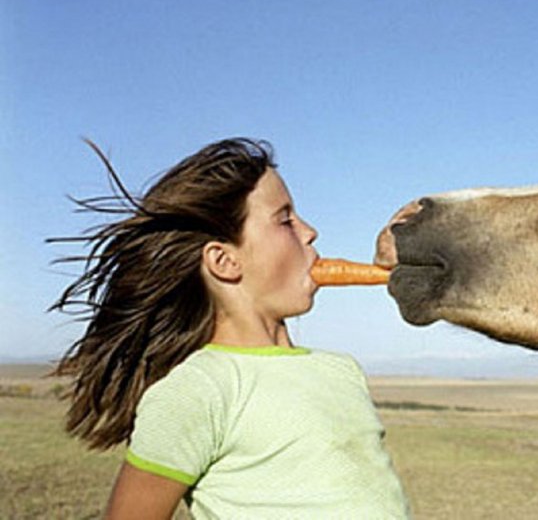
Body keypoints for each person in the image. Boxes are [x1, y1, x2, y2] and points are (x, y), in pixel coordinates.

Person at [50, 138, 410, 519]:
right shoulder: (197, 390)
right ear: (224, 261)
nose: (310, 231)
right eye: (285, 219)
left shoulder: (342, 370)